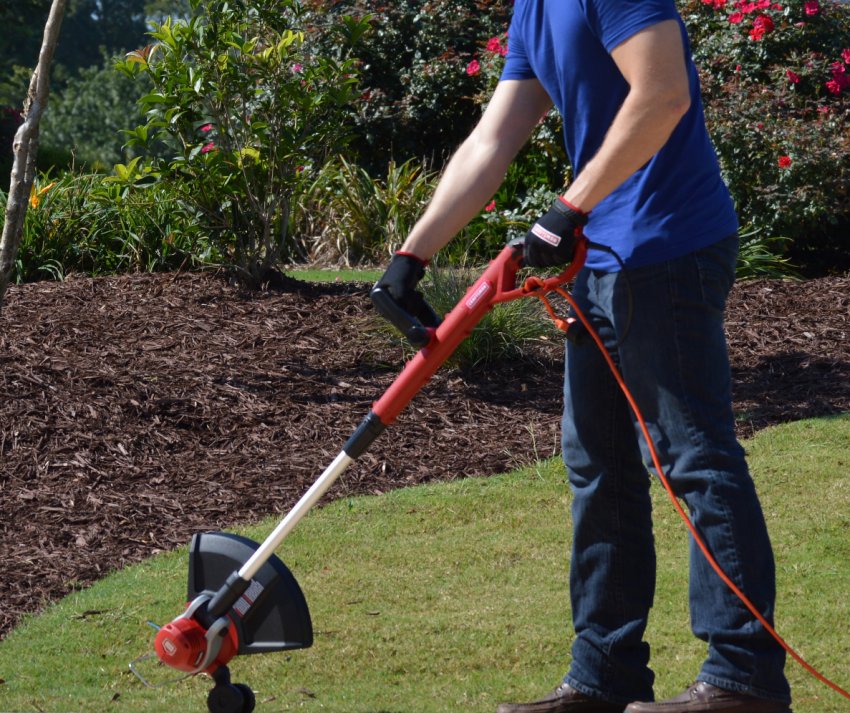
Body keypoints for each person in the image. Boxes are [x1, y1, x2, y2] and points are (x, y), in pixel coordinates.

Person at [372, 1, 793, 712]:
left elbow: (662, 92)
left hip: (667, 244)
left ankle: (742, 675)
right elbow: (493, 138)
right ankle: (605, 674)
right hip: (600, 255)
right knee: (596, 462)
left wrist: (568, 207)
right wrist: (412, 255)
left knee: (691, 450)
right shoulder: (535, 8)